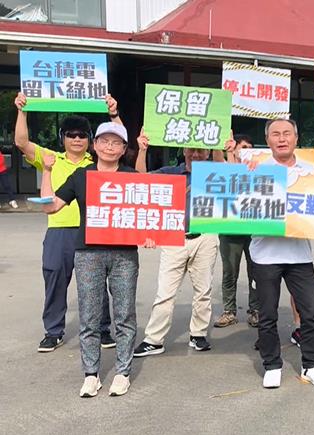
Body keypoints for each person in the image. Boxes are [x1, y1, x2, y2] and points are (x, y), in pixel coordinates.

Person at [39, 122, 153, 397]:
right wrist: (47, 170)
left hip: (124, 254)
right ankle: (91, 374)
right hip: (88, 253)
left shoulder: (130, 176)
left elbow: (149, 207)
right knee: (90, 316)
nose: (109, 147)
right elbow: (52, 206)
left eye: (116, 143)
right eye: (104, 141)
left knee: (124, 314)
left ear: (123, 149)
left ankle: (123, 372)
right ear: (95, 145)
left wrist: (150, 234)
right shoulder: (82, 175)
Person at [227, 118, 314, 389]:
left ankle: (312, 365)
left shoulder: (310, 171)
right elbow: (231, 193)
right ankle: (272, 365)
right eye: (275, 134)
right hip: (265, 255)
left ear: (296, 138)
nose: (282, 138)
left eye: (287, 133)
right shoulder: (256, 168)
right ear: (268, 140)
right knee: (267, 314)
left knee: (310, 312)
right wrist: (237, 166)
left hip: (300, 256)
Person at [14, 92, 121, 352]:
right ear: (63, 137)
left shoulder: (98, 161)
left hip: (93, 229)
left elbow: (119, 140)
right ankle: (53, 331)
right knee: (54, 279)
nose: (76, 139)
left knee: (96, 282)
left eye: (82, 135)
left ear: (90, 140)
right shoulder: (50, 157)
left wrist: (114, 114)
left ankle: (102, 330)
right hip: (59, 231)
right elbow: (21, 142)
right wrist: (22, 110)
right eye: (71, 134)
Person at [131, 132, 221, 357]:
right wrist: (142, 150)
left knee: (203, 290)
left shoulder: (216, 173)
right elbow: (141, 179)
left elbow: (229, 170)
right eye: (191, 149)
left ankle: (198, 334)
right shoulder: (170, 173)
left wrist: (222, 145)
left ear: (208, 152)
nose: (195, 154)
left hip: (206, 237)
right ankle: (154, 339)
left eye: (201, 149)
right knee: (165, 292)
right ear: (184, 151)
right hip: (174, 238)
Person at [214, 133, 259, 329]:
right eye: (243, 147)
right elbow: (223, 164)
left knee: (256, 272)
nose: (246, 151)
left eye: (250, 147)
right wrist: (227, 150)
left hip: (254, 230)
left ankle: (256, 310)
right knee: (230, 272)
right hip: (230, 230)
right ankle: (229, 311)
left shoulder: (258, 169)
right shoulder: (224, 166)